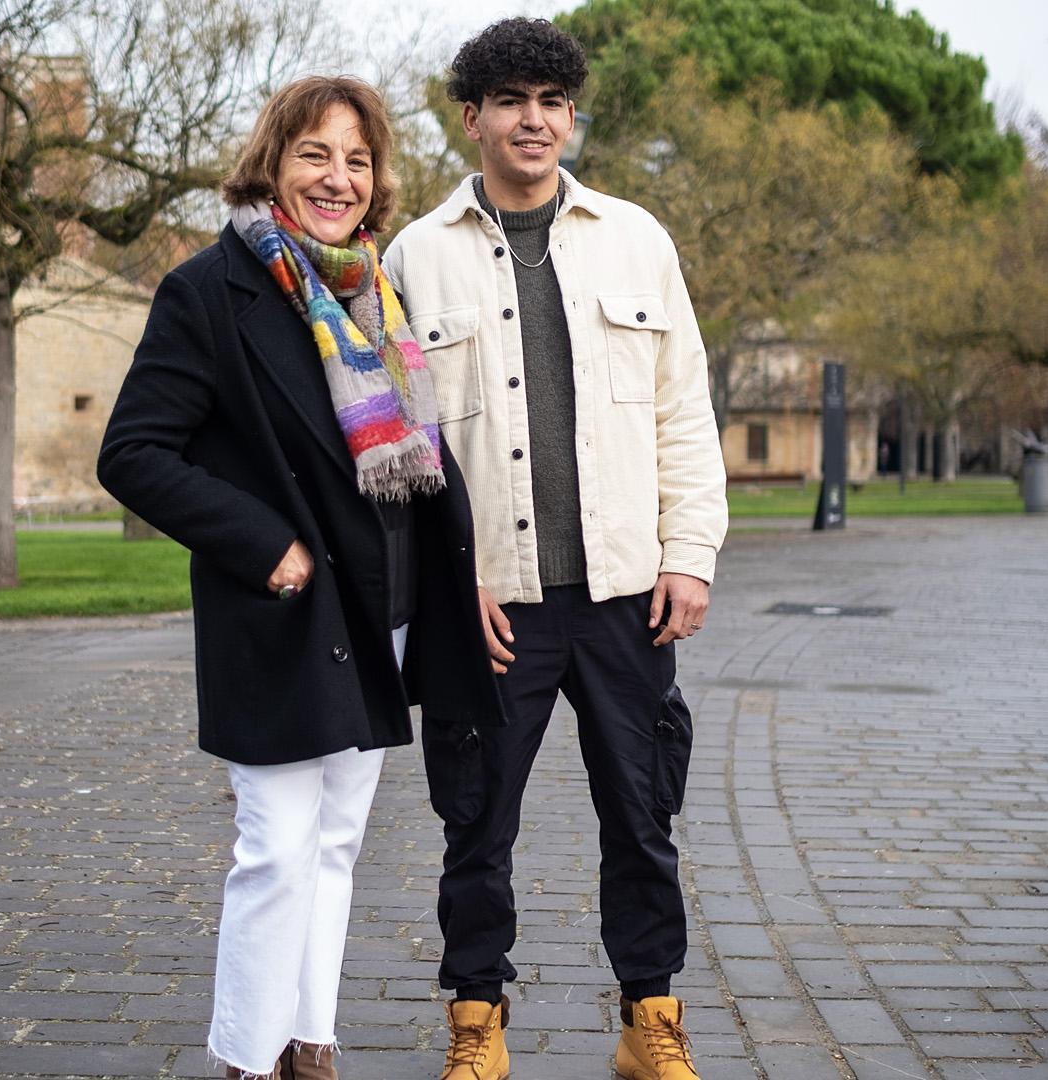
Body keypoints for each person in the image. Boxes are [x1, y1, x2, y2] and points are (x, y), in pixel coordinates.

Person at [97, 75, 504, 1080]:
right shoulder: (211, 290)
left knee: (334, 846)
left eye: (358, 159)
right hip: (282, 614)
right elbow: (134, 453)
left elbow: (418, 454)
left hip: (385, 613)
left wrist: (461, 573)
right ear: (273, 161)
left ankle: (308, 1042)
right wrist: (261, 542)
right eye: (316, 154)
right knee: (277, 848)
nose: (339, 177)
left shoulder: (374, 287)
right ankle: (246, 1057)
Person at [383, 19, 727, 1080]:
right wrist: (448, 588)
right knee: (477, 826)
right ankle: (476, 1029)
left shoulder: (637, 240)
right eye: (511, 101)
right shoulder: (414, 256)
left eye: (552, 101)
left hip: (628, 596)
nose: (534, 120)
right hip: (498, 605)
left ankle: (649, 1026)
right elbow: (400, 446)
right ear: (472, 117)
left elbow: (683, 411)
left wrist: (691, 554)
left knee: (642, 820)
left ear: (571, 117)